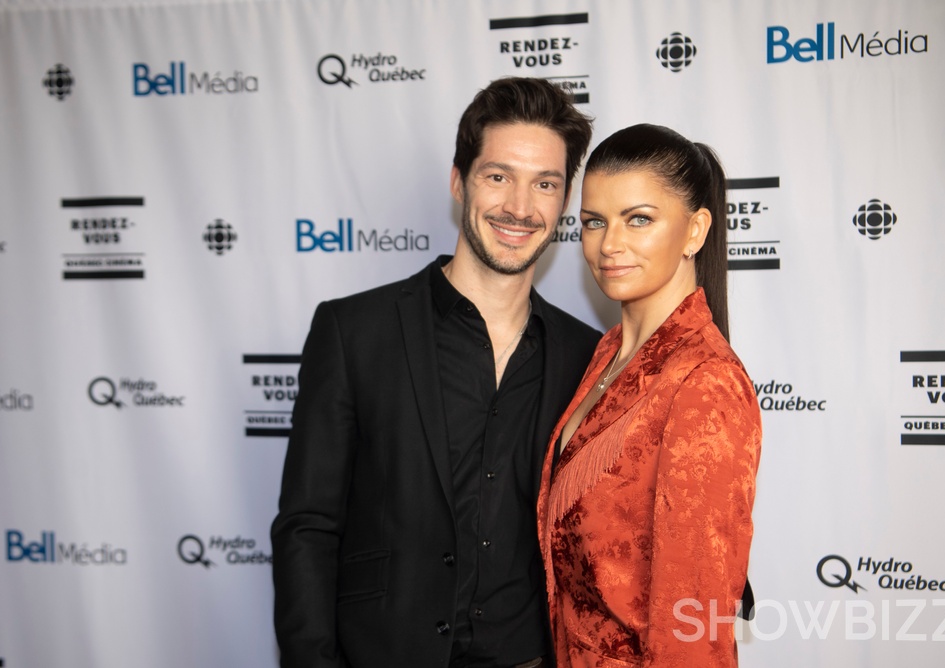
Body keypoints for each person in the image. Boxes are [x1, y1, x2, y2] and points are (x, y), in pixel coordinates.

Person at [271, 77, 598, 668]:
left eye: (544, 184)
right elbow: (308, 528)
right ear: (458, 181)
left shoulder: (588, 357)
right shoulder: (354, 333)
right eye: (498, 176)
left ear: (565, 200)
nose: (520, 208)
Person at [536, 124, 762, 667]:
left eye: (639, 219)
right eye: (594, 222)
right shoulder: (607, 355)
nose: (609, 244)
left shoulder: (705, 384)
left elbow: (693, 624)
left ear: (694, 231)